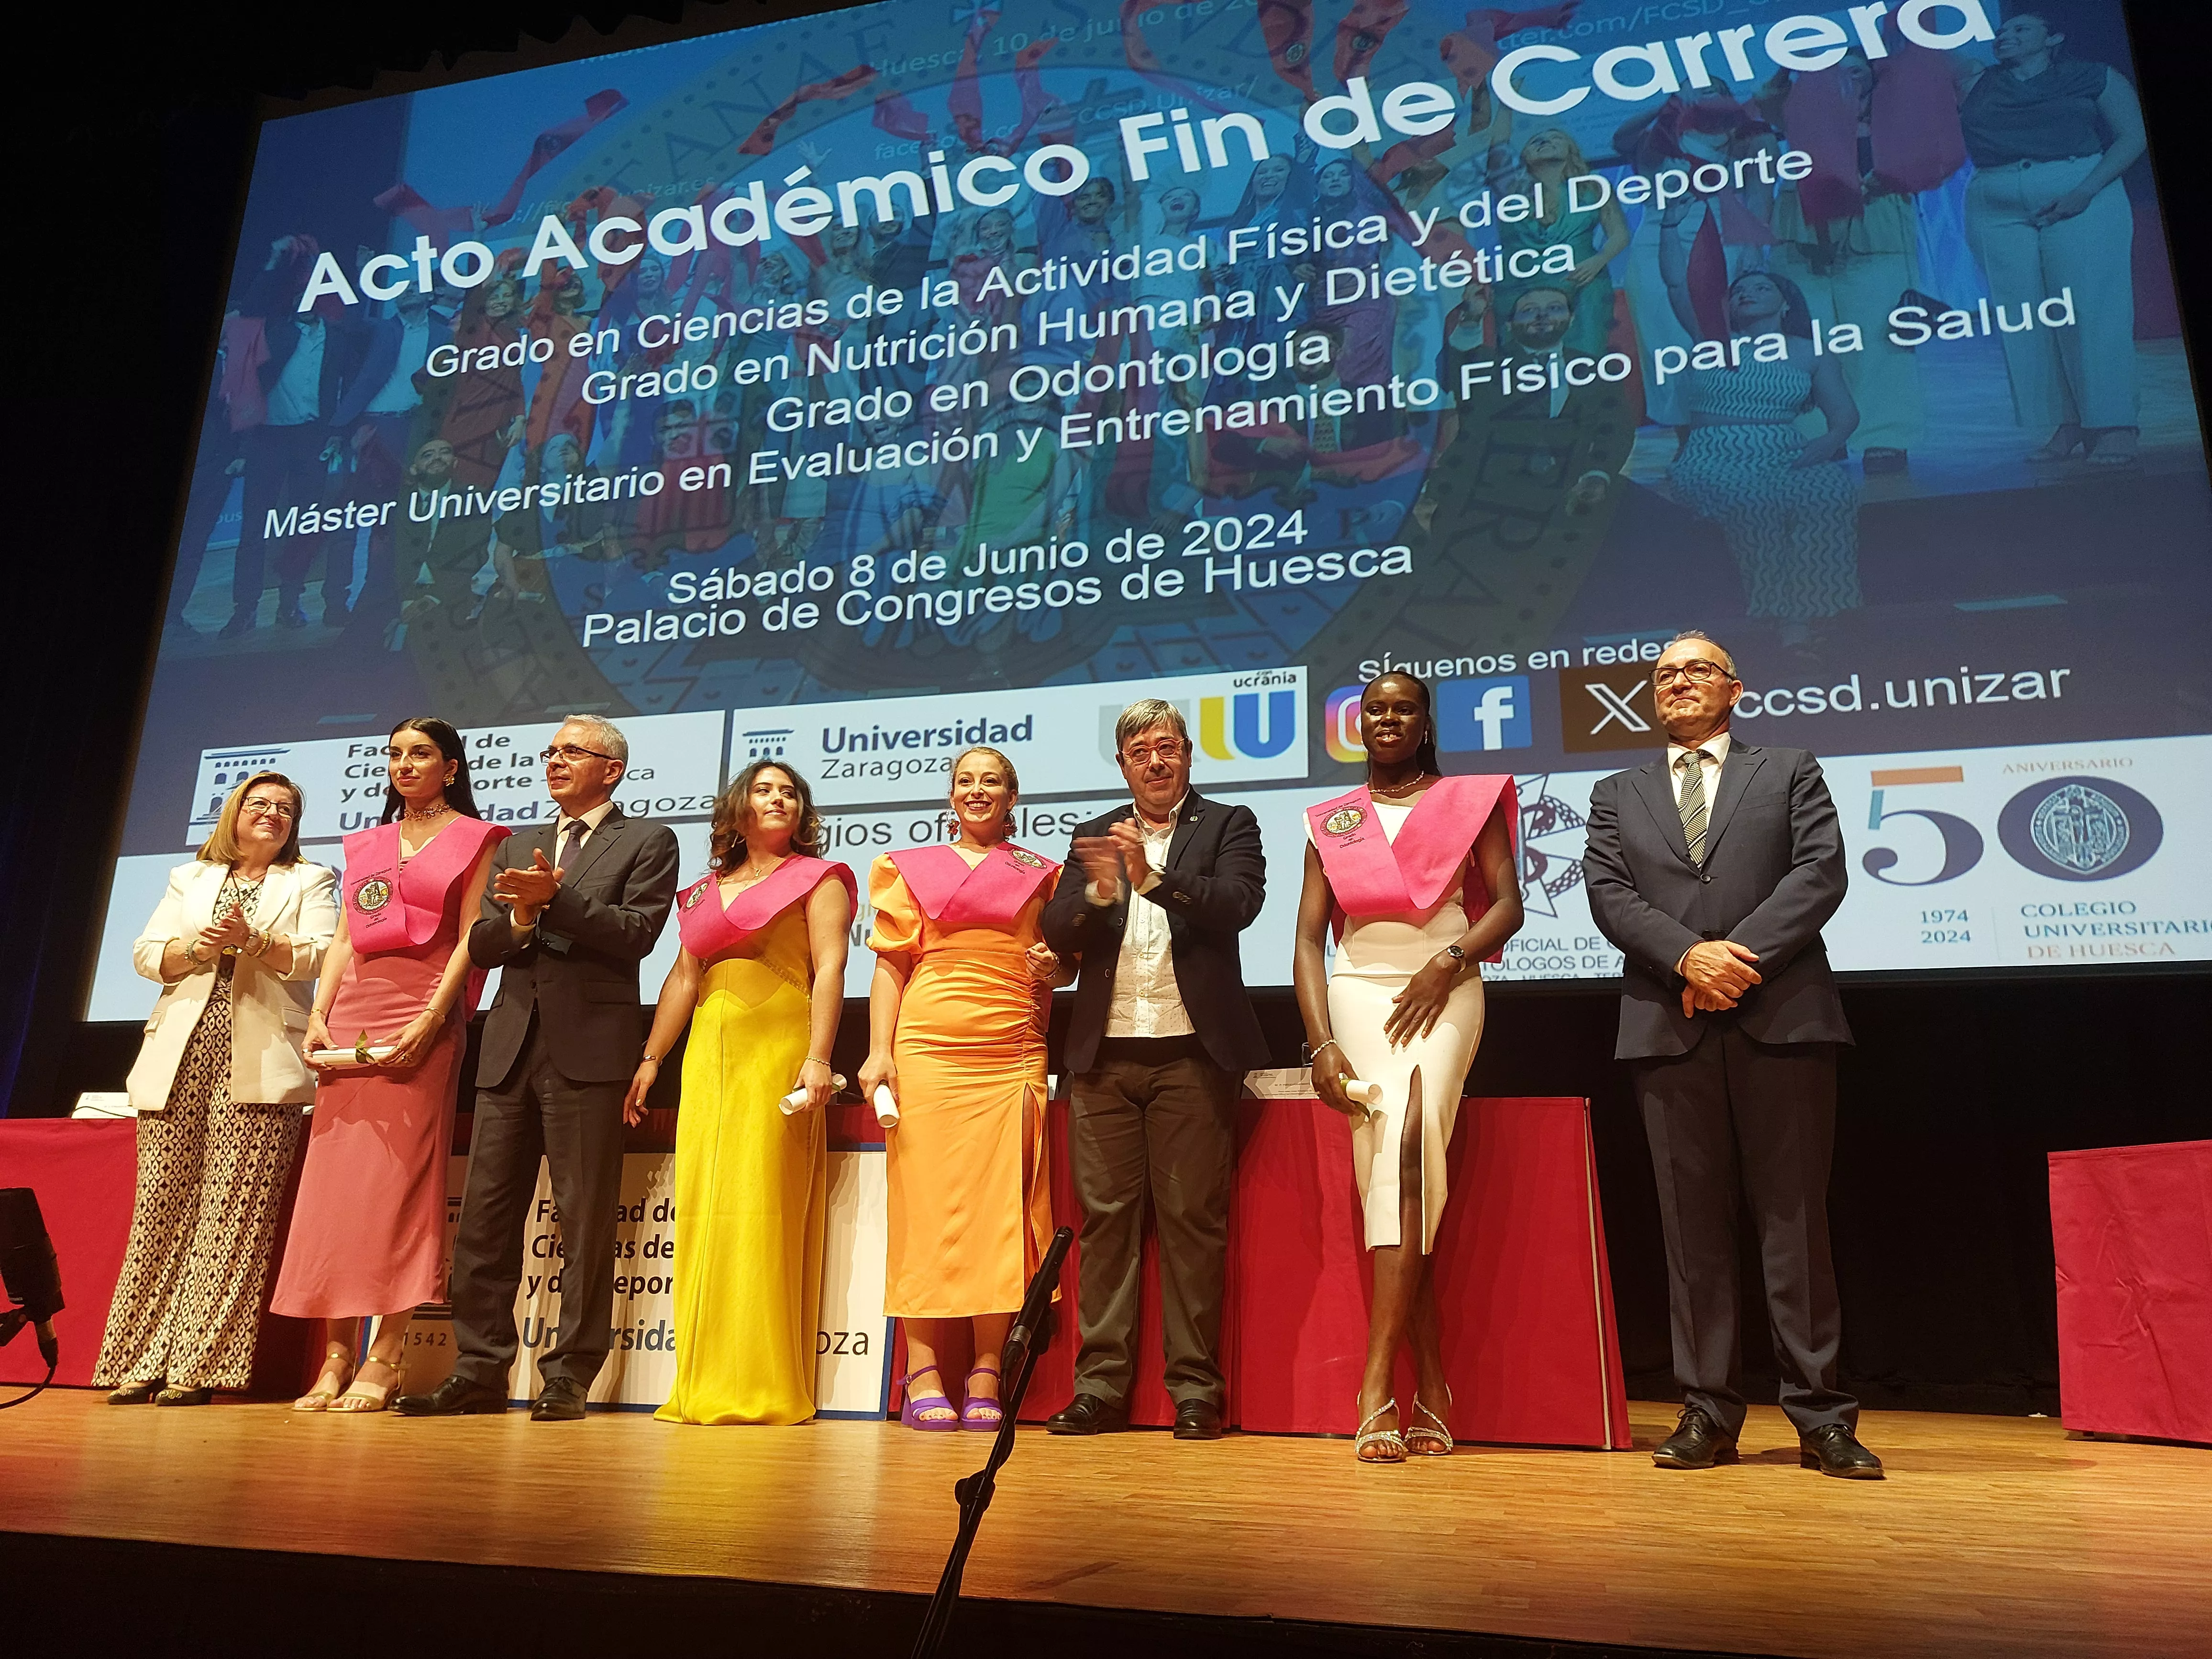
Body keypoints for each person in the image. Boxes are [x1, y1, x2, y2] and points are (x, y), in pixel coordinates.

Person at [1581, 631, 1879, 1479]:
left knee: (1794, 1222)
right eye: (1664, 674)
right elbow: (1608, 894)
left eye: (1696, 670)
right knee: (1691, 1231)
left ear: (1734, 689)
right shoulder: (1615, 792)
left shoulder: (1787, 769)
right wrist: (1686, 958)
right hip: (1667, 1021)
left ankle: (1820, 1416)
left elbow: (1819, 872)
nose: (1677, 682)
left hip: (1781, 1016)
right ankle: (1707, 1411)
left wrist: (1732, 963)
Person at [396, 715, 680, 1421]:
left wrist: (555, 900)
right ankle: (479, 1368)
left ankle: (569, 1375)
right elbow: (484, 943)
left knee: (583, 1222)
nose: (554, 761)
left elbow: (636, 934)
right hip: (509, 1050)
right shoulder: (518, 843)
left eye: (571, 752)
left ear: (611, 770)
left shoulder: (648, 840)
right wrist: (522, 920)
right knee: (485, 1222)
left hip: (589, 1052)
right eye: (550, 752)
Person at [1292, 672, 1522, 1463]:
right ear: (1358, 724)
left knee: (1413, 1141)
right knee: (1391, 1172)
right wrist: (1321, 1043)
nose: (1387, 719)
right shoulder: (1334, 820)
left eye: (1403, 708)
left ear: (1425, 723)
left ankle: (1371, 1386)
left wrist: (1446, 962)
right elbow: (1308, 940)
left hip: (1445, 986)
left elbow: (1507, 904)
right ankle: (1430, 1384)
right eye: (1375, 710)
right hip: (1358, 991)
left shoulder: (1465, 801)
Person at [1040, 699, 1269, 1440]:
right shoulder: (1095, 834)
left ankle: (1196, 1391)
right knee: (1105, 1226)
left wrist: (1153, 878)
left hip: (1192, 1057)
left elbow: (1238, 904)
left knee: (1192, 1225)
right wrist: (1102, 892)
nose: (1156, 761)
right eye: (1140, 752)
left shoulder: (1228, 824)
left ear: (1188, 755)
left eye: (1167, 747)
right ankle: (1099, 1389)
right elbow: (1056, 927)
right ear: (1123, 765)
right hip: (1103, 1059)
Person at [271, 719, 508, 1411]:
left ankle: (387, 1355)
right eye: (396, 755)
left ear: (451, 768)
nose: (405, 765)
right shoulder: (370, 844)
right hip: (351, 1019)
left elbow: (471, 934)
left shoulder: (478, 838)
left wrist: (436, 1016)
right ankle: (336, 1357)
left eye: (421, 755)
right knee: (337, 1193)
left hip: (422, 1016)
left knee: (402, 1189)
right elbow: (346, 937)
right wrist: (319, 1013)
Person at [94, 774, 337, 1406]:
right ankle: (139, 1360)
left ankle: (198, 1366)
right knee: (160, 1208)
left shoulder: (310, 880)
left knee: (235, 1216)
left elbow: (321, 955)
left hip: (261, 1059)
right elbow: (147, 954)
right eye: (260, 804)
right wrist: (195, 949)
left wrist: (251, 941)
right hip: (180, 1052)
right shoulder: (191, 877)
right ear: (234, 813)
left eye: (286, 809)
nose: (273, 814)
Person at [631, 763, 854, 1426]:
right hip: (708, 1058)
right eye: (764, 790)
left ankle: (760, 1382)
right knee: (706, 1206)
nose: (779, 798)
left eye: (789, 792)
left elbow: (831, 967)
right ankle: (702, 1380)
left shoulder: (819, 878)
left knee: (762, 1204)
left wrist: (819, 1056)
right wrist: (652, 1059)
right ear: (738, 809)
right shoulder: (702, 892)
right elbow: (683, 979)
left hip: (778, 1051)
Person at [859, 749, 1068, 1431]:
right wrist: (879, 1053)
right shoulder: (908, 868)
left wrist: (1053, 968)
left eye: (992, 782)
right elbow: (892, 965)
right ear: (951, 796)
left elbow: (1060, 969)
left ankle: (986, 1369)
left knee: (1001, 1214)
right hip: (928, 1048)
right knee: (923, 1208)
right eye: (965, 781)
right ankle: (921, 1369)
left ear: (1013, 797)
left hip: (1011, 1051)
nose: (977, 791)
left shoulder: (1043, 873)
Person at [1656, 226, 1862, 651]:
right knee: (1757, 505)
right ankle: (1790, 622)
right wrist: (1670, 225)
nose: (1747, 294)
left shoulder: (1809, 351)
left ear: (1786, 303)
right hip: (1713, 455)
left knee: (1829, 495)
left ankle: (1820, 609)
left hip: (1784, 451)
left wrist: (1824, 446)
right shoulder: (1711, 339)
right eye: (1739, 292)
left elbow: (1844, 416)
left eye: (1761, 288)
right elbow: (1678, 283)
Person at [1958, 9, 2146, 465]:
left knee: (2092, 310)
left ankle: (2114, 424)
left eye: (2021, 29)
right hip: (1996, 201)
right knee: (2027, 318)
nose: (2006, 35)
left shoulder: (2093, 76)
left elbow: (2132, 136)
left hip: (2079, 186)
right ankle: (2067, 422)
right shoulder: (1977, 80)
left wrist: (2085, 191)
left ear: (2054, 38)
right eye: (2002, 30)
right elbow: (1917, 57)